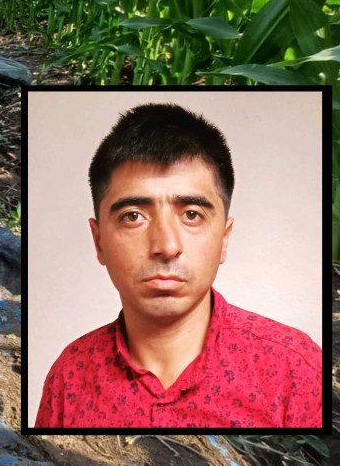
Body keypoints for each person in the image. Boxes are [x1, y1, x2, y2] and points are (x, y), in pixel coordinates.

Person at [34, 103, 324, 428]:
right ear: (99, 240)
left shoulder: (296, 370)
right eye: (133, 216)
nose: (167, 246)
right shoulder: (70, 375)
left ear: (224, 239)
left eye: (191, 215)